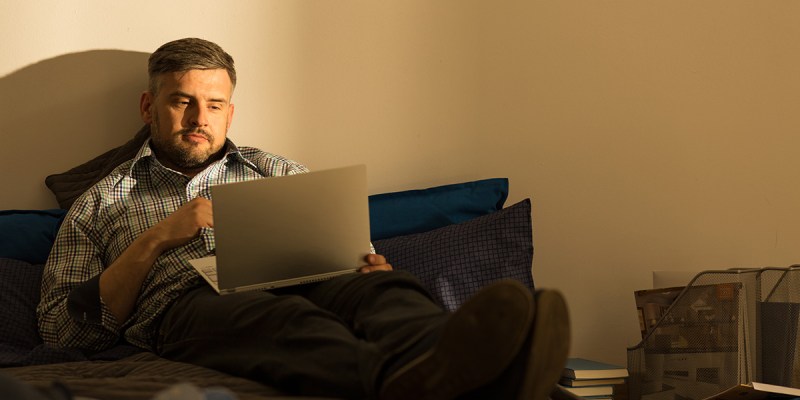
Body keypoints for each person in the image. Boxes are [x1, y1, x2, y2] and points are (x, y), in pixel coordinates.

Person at [37, 38, 570, 400]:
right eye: (183, 102)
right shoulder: (103, 200)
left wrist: (364, 262)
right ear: (148, 106)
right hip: (188, 306)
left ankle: (453, 361)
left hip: (309, 273)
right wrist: (156, 237)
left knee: (382, 293)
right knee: (285, 322)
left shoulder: (277, 170)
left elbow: (342, 248)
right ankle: (414, 382)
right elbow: (63, 332)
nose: (201, 119)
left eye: (215, 105)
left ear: (231, 111)